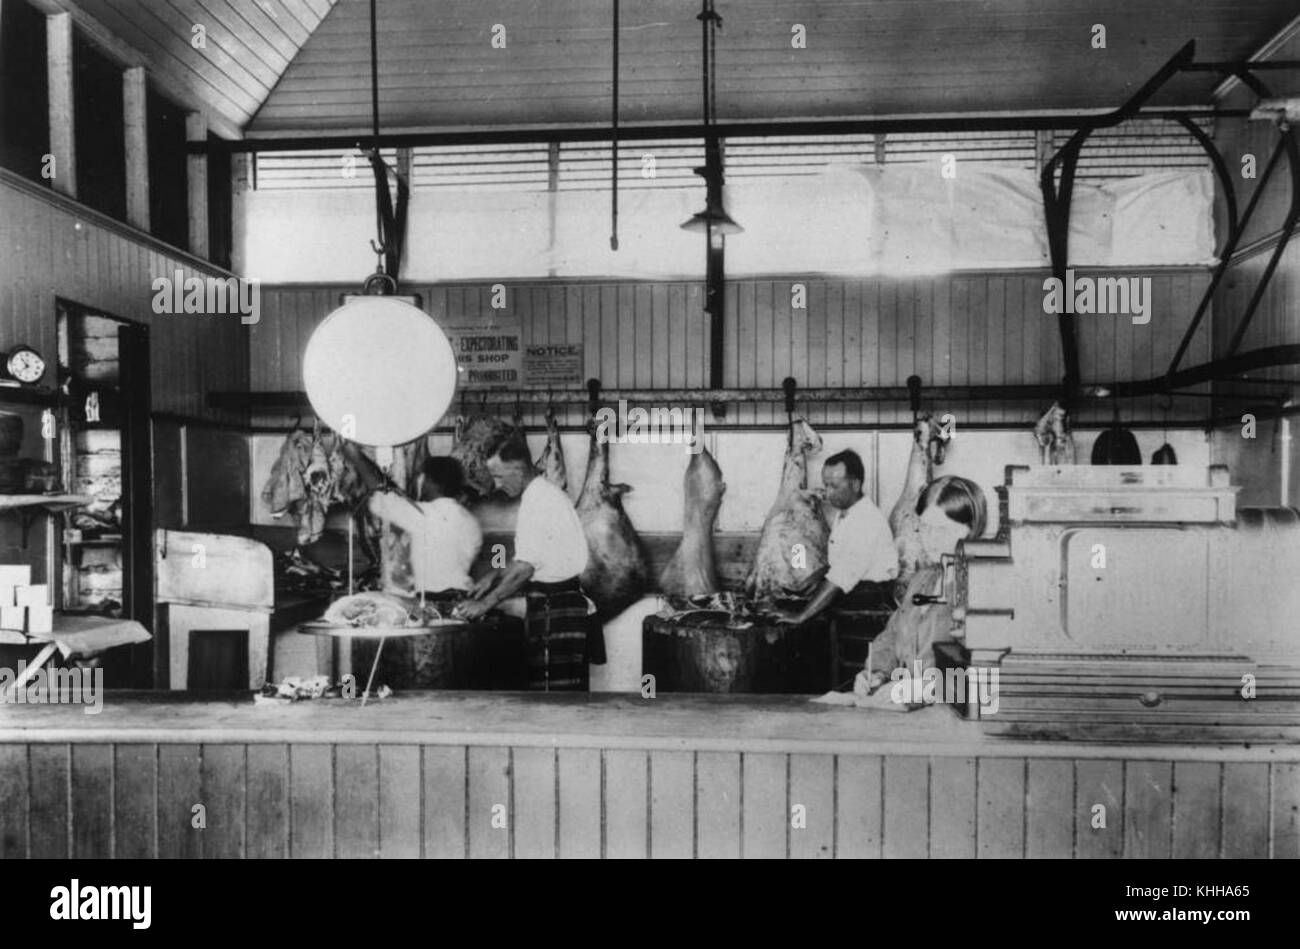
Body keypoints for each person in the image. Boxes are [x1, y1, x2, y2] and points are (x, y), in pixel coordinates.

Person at [454, 434, 597, 691]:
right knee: (555, 691)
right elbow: (528, 556)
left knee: (553, 694)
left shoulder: (540, 501)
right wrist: (493, 576)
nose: (496, 485)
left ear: (518, 469)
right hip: (554, 605)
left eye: (499, 476)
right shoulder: (539, 495)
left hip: (556, 608)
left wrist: (484, 604)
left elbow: (525, 569)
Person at [861, 475, 987, 696]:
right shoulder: (922, 580)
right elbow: (891, 636)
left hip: (956, 718)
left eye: (943, 529)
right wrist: (877, 673)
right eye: (925, 527)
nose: (932, 538)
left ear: (970, 529)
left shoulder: (984, 587)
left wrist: (923, 688)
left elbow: (986, 674)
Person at [774, 449, 897, 626]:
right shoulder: (846, 514)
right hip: (854, 596)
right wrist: (813, 580)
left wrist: (801, 616)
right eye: (825, 485)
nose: (828, 493)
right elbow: (839, 562)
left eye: (834, 486)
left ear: (855, 484)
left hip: (869, 604)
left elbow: (840, 577)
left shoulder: (866, 521)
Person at [367, 456, 482, 596]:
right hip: (462, 597)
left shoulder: (424, 516)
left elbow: (382, 494)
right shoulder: (471, 520)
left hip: (433, 599)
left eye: (421, 478)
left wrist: (352, 452)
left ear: (430, 482)